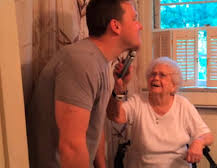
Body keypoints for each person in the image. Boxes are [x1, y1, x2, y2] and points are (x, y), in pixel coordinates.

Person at [27, 0, 143, 167]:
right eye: (134, 19)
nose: (140, 26)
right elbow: (71, 147)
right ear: (116, 26)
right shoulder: (82, 61)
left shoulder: (98, 62)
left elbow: (93, 125)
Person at [107, 57, 214, 168]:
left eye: (162, 75)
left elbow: (207, 135)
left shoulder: (183, 105)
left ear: (174, 85)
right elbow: (115, 116)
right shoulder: (138, 101)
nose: (155, 78)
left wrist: (198, 142)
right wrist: (119, 88)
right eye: (153, 74)